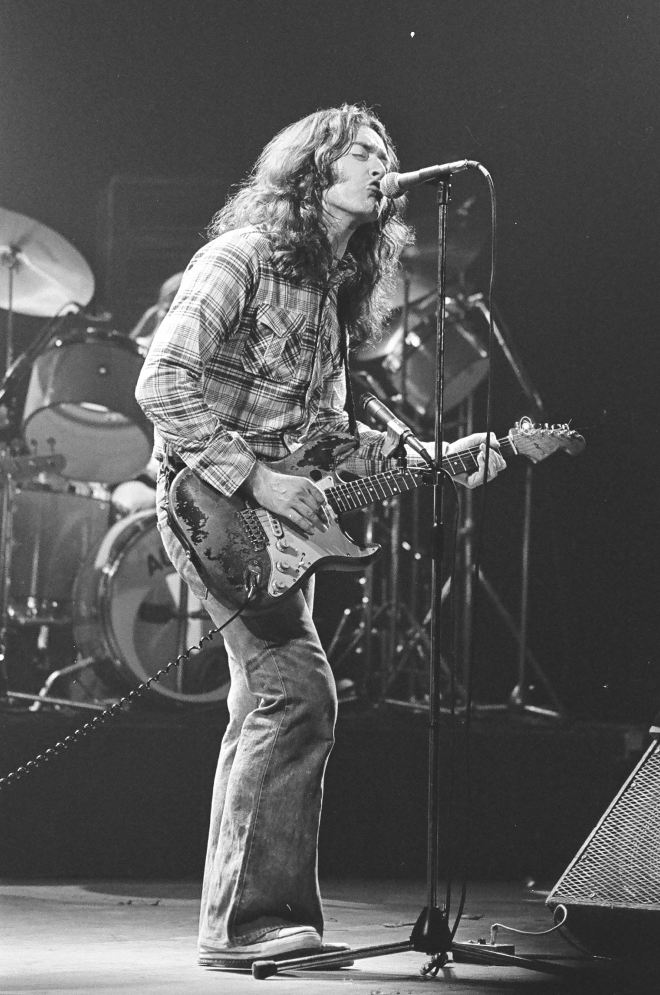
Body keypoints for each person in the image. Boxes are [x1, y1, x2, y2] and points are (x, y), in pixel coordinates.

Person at [135, 104, 506, 972]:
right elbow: (161, 381)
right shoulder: (241, 258)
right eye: (362, 151)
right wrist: (257, 478)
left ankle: (239, 919)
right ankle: (251, 922)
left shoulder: (334, 298)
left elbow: (331, 440)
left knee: (265, 702)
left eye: (386, 152)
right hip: (209, 505)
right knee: (298, 692)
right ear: (313, 172)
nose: (382, 165)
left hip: (278, 529)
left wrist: (439, 457)